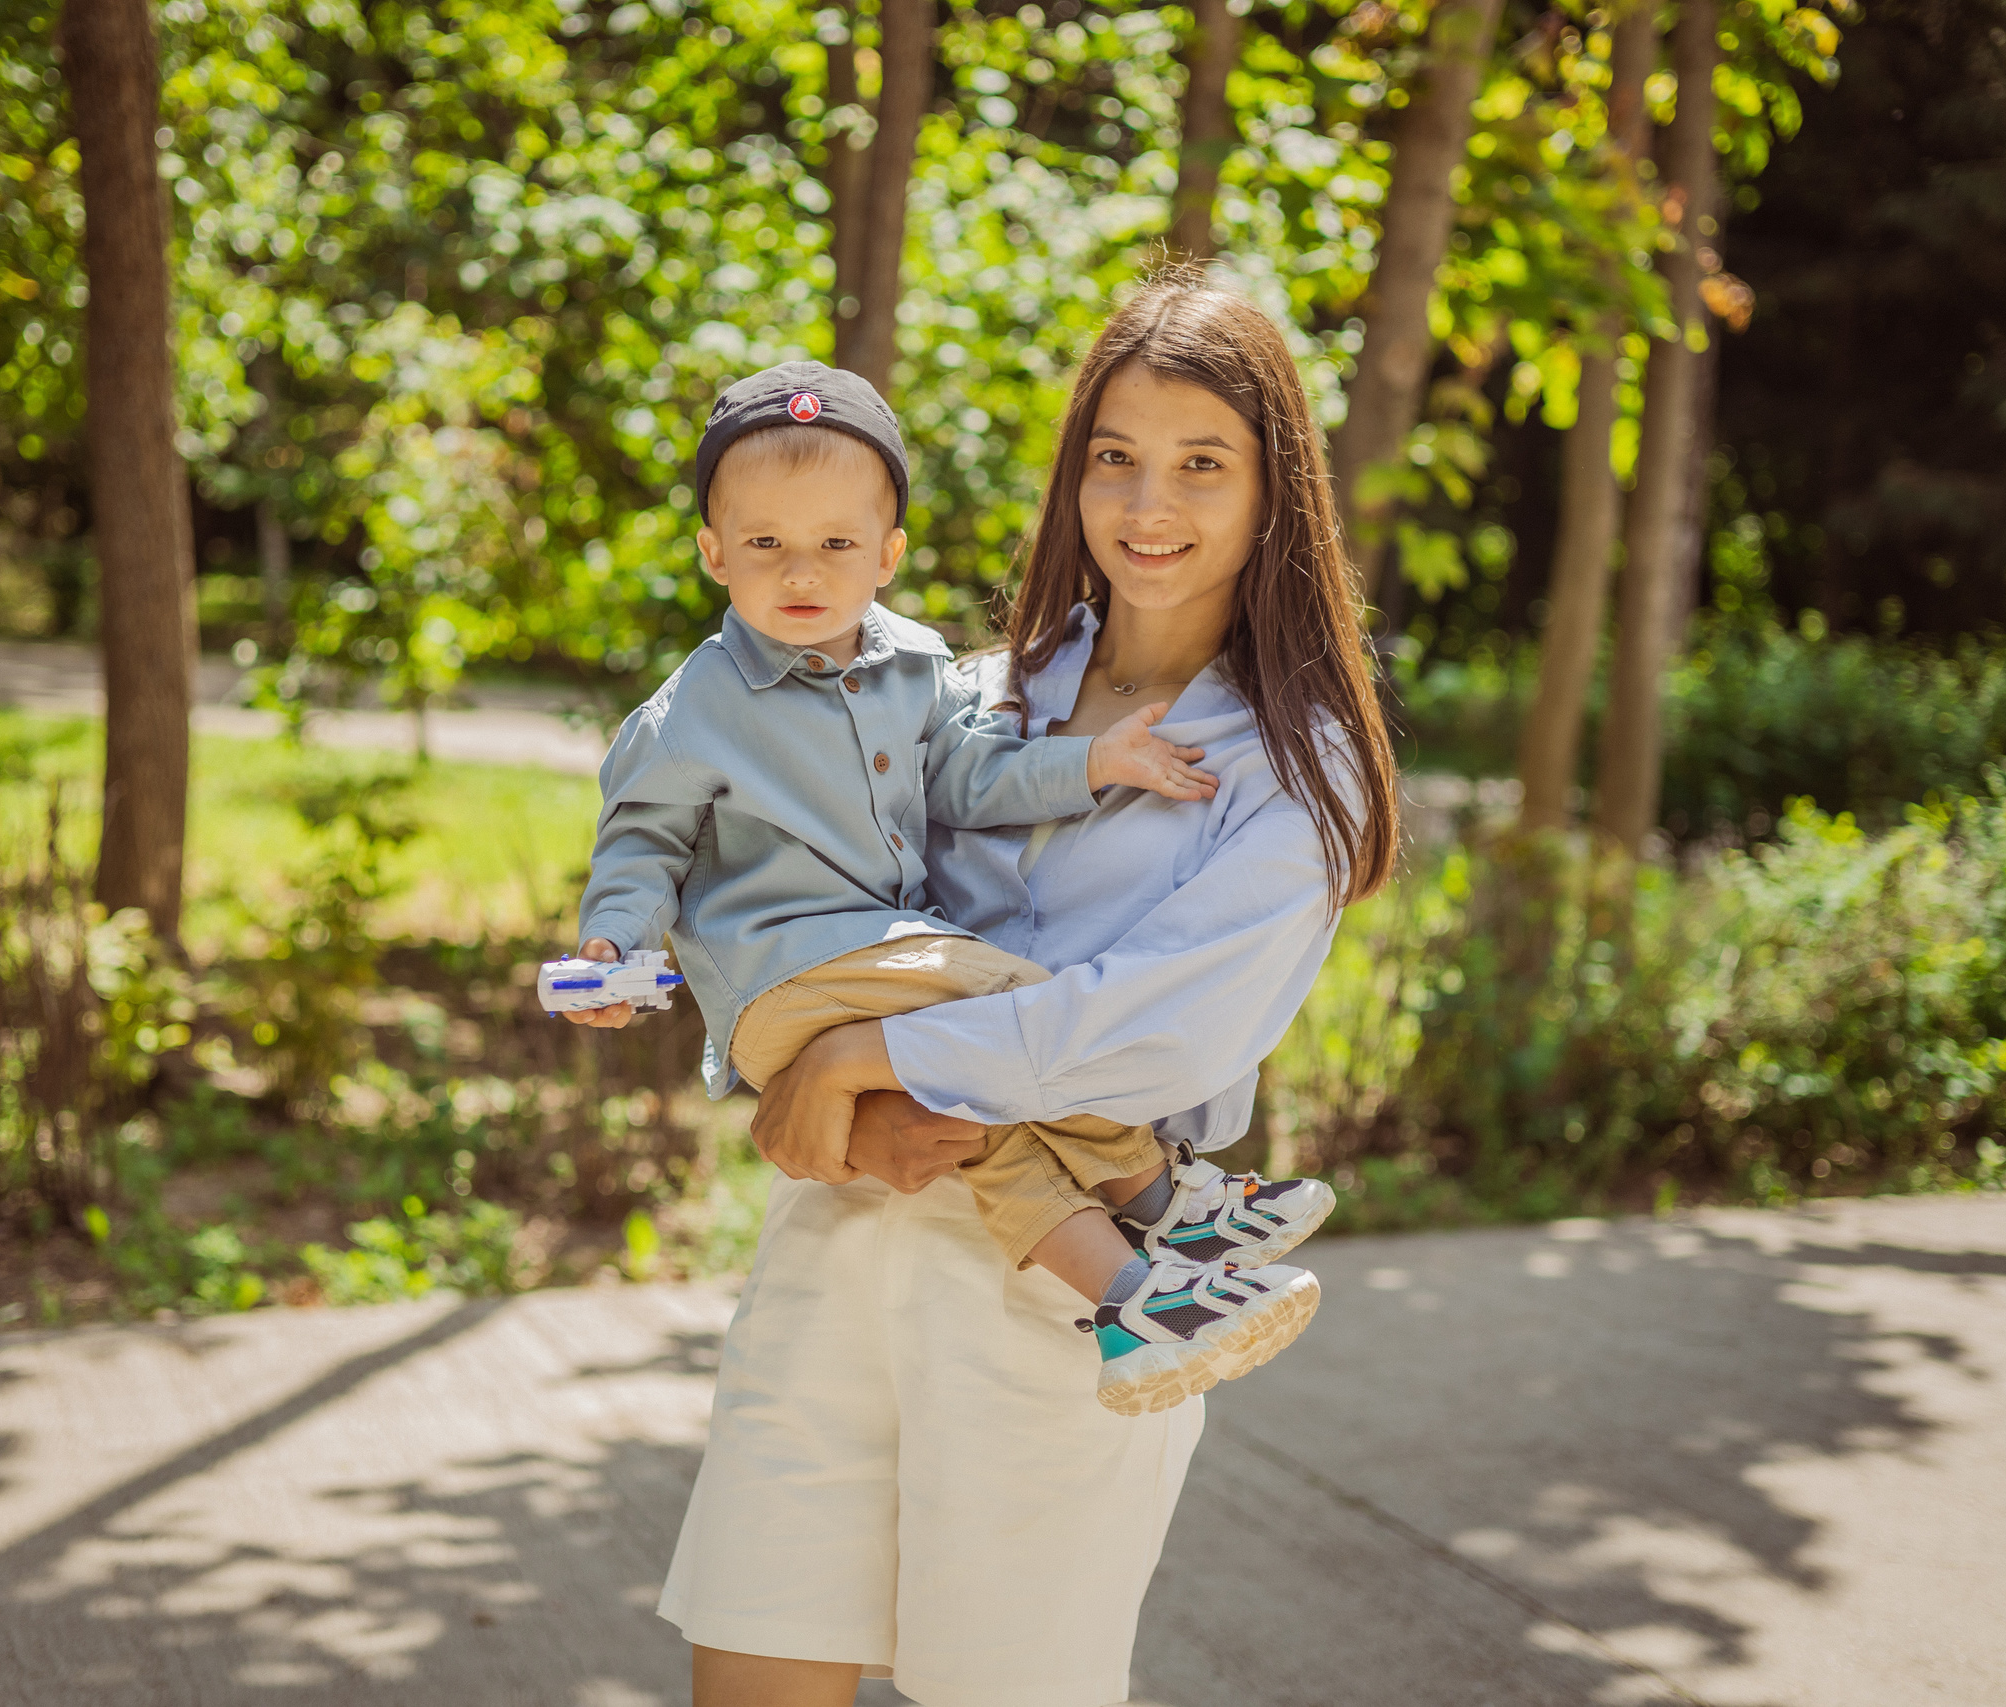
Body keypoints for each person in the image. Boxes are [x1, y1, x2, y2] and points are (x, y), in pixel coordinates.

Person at [658, 272, 1400, 1707]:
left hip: (1063, 1306)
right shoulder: (971, 696)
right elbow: (798, 903)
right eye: (1114, 455)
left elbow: (1153, 1028)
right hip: (844, 1235)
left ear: (1274, 491)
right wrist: (816, 1096)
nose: (1147, 503)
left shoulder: (1296, 763)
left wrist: (865, 1052)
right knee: (751, 1664)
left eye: (1201, 463)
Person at [559, 360, 1341, 1416]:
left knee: (994, 1094)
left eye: (836, 544)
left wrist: (1094, 764)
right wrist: (613, 948)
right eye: (764, 545)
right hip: (795, 975)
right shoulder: (695, 709)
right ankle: (1166, 1211)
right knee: (1002, 1001)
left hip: (908, 1088)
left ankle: (1133, 1296)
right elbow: (640, 845)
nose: (801, 571)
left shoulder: (925, 674)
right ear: (712, 554)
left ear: (887, 555)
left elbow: (978, 783)